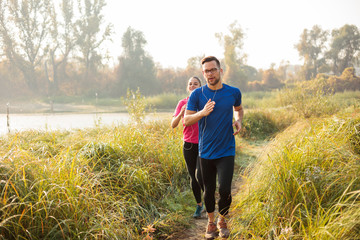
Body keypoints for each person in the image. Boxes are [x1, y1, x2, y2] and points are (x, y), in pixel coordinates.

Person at [184, 56, 243, 239]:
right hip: (206, 152)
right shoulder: (197, 94)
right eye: (206, 71)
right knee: (208, 191)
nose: (210, 73)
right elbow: (186, 120)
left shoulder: (233, 92)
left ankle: (222, 219)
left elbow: (238, 108)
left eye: (213, 70)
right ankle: (210, 222)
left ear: (220, 70)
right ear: (203, 73)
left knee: (225, 189)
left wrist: (239, 119)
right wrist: (202, 112)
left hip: (226, 150)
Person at [171, 76, 204, 218]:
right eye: (190, 84)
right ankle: (199, 205)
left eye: (196, 84)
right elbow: (173, 124)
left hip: (204, 143)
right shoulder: (182, 102)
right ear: (187, 87)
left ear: (201, 86)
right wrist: (181, 112)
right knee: (193, 176)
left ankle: (209, 200)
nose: (192, 86)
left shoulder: (204, 101)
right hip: (189, 144)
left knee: (201, 175)